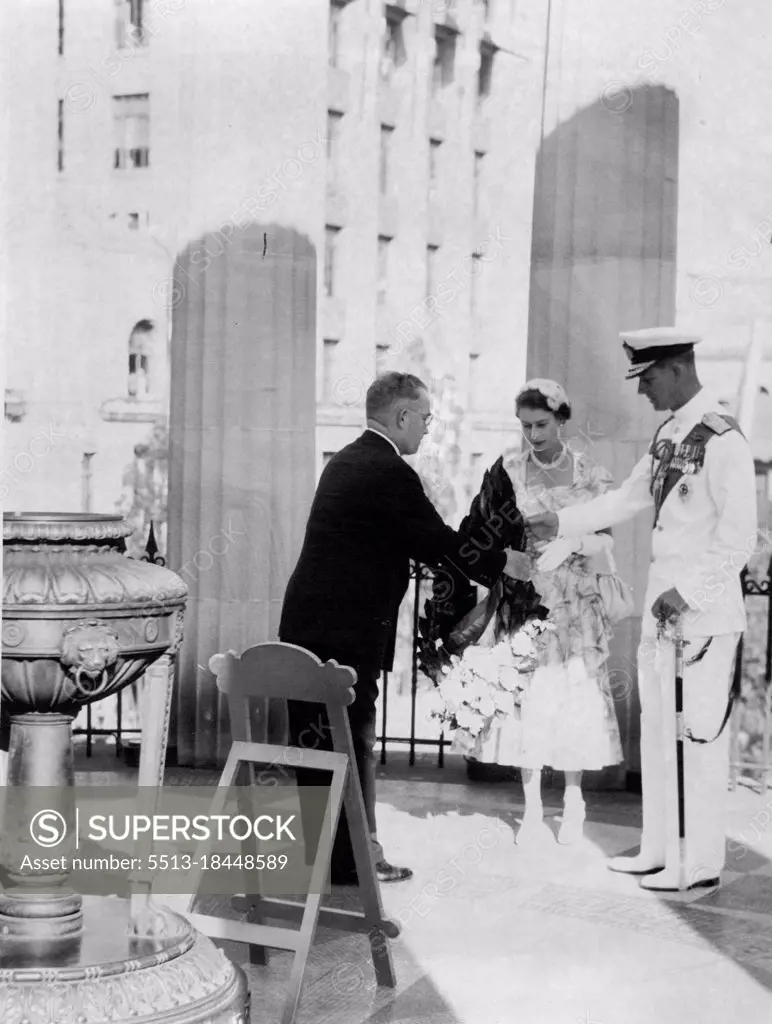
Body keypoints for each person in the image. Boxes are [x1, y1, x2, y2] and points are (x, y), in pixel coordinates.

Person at [527, 328, 757, 891]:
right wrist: (562, 521)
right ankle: (657, 850)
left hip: (703, 620)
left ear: (677, 370)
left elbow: (739, 538)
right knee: (657, 736)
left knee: (698, 741)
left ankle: (700, 863)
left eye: (648, 379)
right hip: (664, 616)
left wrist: (691, 594)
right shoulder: (669, 434)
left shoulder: (724, 440)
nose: (642, 392)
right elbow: (627, 499)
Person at [279, 371, 529, 886]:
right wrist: (505, 560)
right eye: (426, 417)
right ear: (402, 416)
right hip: (345, 637)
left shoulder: (347, 461)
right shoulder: (387, 470)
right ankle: (352, 863)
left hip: (308, 628)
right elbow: (437, 542)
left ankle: (328, 860)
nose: (428, 428)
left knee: (319, 747)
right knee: (351, 742)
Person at [424, 379, 624, 845]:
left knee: (572, 699)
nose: (533, 435)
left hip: (574, 600)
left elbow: (607, 537)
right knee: (527, 701)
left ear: (562, 420)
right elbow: (480, 532)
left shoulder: (590, 472)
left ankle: (574, 802)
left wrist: (574, 542)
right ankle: (533, 808)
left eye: (541, 425)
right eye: (525, 426)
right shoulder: (508, 469)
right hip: (524, 599)